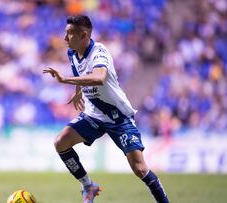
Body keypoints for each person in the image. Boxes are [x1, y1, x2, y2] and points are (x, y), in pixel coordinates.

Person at [43, 15, 169, 203]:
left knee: (140, 169)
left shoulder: (99, 51)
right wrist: (78, 91)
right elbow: (81, 72)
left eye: (69, 34)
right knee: (61, 142)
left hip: (119, 118)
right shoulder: (72, 53)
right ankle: (88, 186)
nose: (65, 38)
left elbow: (99, 77)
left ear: (84, 35)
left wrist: (65, 80)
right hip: (94, 115)